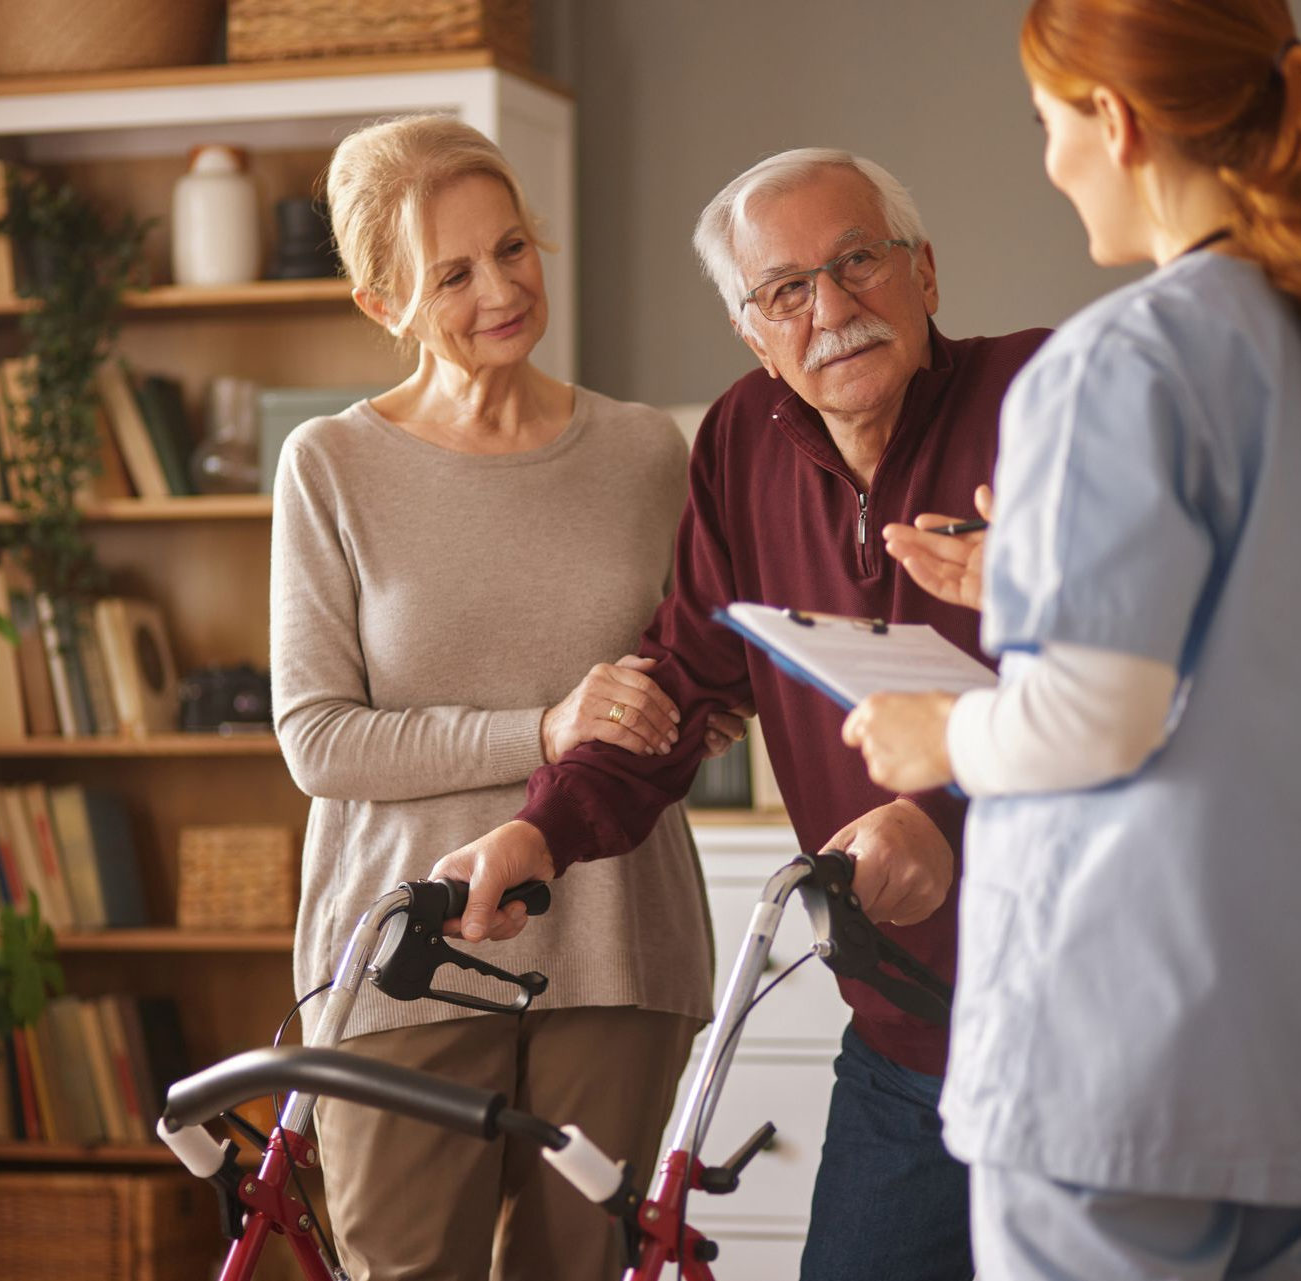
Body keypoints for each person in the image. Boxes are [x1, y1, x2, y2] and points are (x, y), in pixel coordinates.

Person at [842, 3, 1301, 1277]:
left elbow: (1095, 717)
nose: (1048, 159)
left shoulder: (1121, 364)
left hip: (1137, 1084)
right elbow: (1300, 653)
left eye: (1048, 123)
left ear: (1116, 120)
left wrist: (936, 731)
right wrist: (1029, 579)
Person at [432, 147, 1050, 1280]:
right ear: (754, 333)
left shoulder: (1046, 401)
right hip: (905, 1042)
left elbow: (1142, 682)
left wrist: (949, 822)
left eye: (859, 262)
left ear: (925, 273)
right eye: (786, 291)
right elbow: (680, 681)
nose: (833, 309)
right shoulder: (740, 440)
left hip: (1089, 1036)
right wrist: (541, 830)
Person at [270, 114, 743, 1281]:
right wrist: (539, 730)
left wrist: (697, 710)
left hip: (618, 943)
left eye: (514, 248)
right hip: (403, 952)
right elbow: (318, 741)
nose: (502, 289)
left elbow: (691, 673)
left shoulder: (643, 451)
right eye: (453, 272)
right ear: (384, 302)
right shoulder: (331, 465)